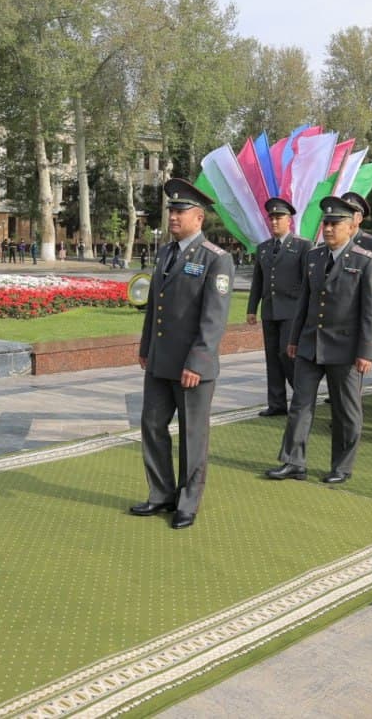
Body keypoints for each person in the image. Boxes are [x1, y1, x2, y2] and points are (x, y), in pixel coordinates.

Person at [131, 178, 233, 529]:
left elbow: (214, 318)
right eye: (171, 211)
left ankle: (187, 503)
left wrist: (198, 362)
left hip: (192, 366)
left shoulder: (216, 259)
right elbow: (154, 306)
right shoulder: (165, 253)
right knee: (152, 426)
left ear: (198, 217)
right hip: (160, 361)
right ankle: (161, 493)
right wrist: (146, 347)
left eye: (180, 211)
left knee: (192, 435)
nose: (173, 217)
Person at [266, 196, 372, 484]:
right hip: (310, 343)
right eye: (326, 223)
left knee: (345, 410)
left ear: (350, 226)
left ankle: (341, 466)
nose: (328, 229)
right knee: (300, 404)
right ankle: (293, 461)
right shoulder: (314, 257)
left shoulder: (366, 261)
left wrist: (367, 352)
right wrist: (294, 338)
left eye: (334, 224)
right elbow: (304, 302)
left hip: (345, 348)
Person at [246, 197, 308, 417]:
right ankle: (277, 403)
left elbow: (307, 281)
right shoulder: (263, 248)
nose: (273, 222)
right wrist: (252, 308)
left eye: (278, 217)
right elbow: (258, 281)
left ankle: (302, 397)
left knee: (286, 353)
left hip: (292, 310)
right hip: (270, 310)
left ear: (289, 220)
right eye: (271, 218)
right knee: (272, 357)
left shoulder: (302, 246)